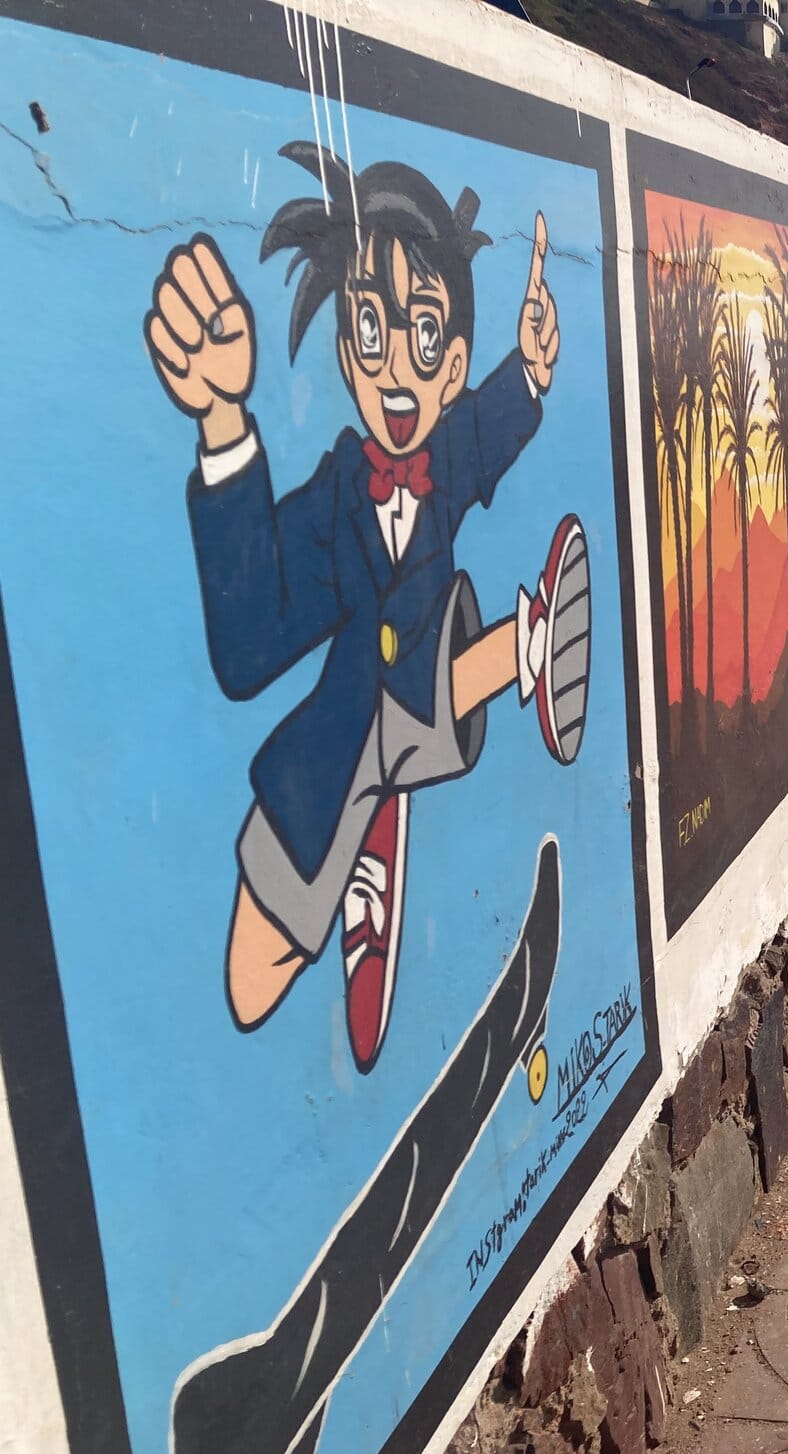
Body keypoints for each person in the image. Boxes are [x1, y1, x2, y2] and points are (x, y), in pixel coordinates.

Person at [142, 143, 584, 1075]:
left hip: (435, 684)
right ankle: (359, 844)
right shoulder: (331, 503)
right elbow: (248, 646)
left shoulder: (450, 452)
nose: (396, 369)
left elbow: (491, 427)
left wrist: (533, 369)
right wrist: (222, 426)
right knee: (249, 982)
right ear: (347, 347)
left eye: (423, 337)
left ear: (454, 359)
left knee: (444, 658)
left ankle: (528, 646)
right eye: (372, 331)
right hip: (337, 748)